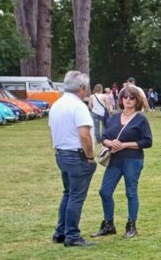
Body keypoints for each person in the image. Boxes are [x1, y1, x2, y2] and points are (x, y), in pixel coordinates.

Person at [92, 85, 153, 239]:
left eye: (132, 97)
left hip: (133, 160)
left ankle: (131, 225)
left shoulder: (141, 120)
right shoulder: (113, 118)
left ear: (137, 100)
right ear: (121, 99)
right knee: (104, 191)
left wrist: (126, 144)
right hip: (115, 160)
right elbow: (103, 136)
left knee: (130, 192)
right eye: (125, 97)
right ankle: (108, 225)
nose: (128, 99)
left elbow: (147, 141)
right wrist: (109, 143)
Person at [49, 71, 97, 247]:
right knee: (76, 196)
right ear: (82, 88)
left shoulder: (57, 104)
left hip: (61, 153)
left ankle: (60, 231)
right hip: (76, 155)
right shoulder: (78, 106)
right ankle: (72, 235)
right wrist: (90, 157)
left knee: (68, 193)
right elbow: (84, 135)